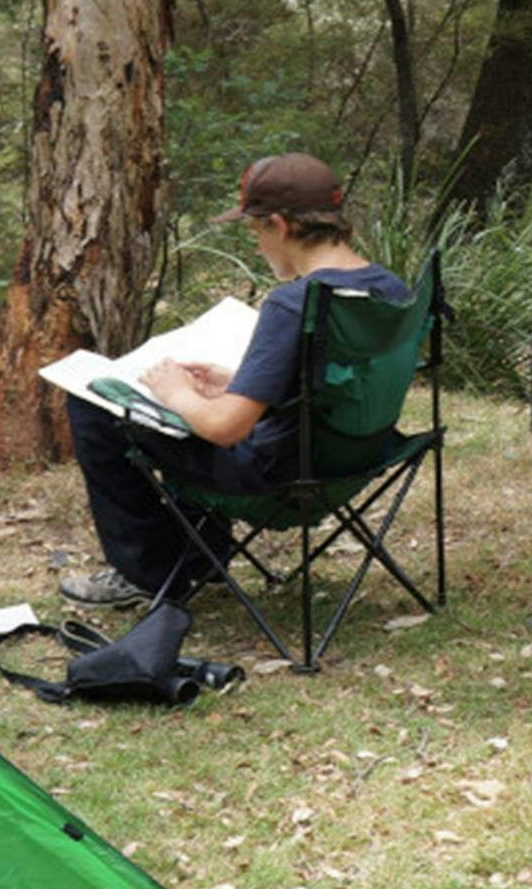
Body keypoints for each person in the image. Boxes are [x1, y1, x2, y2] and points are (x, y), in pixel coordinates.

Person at [59, 153, 410, 607]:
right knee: (192, 408)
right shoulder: (389, 289)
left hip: (277, 476)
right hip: (355, 458)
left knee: (93, 407)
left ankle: (149, 572)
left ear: (280, 225)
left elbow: (225, 429)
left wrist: (178, 393)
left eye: (256, 232)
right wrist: (241, 383)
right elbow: (340, 381)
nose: (258, 246)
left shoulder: (293, 303)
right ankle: (201, 558)